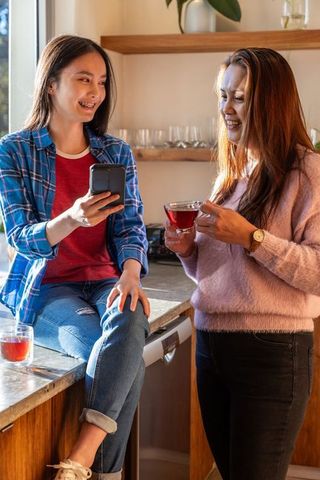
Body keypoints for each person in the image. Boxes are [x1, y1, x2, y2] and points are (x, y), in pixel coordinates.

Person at [165, 47, 320, 480]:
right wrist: (187, 251)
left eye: (239, 98)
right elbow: (217, 272)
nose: (226, 109)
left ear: (271, 102)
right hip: (213, 346)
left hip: (272, 353)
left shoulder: (308, 172)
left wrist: (252, 238)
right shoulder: (233, 174)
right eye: (222, 95)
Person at [0, 35, 150, 480]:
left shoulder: (113, 152)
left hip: (106, 278)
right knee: (118, 358)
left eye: (101, 82)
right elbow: (19, 237)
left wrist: (130, 273)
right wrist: (71, 218)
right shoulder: (14, 150)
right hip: (47, 290)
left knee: (129, 317)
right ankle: (104, 472)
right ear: (51, 84)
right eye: (83, 79)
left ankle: (81, 460)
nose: (95, 93)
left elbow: (130, 226)